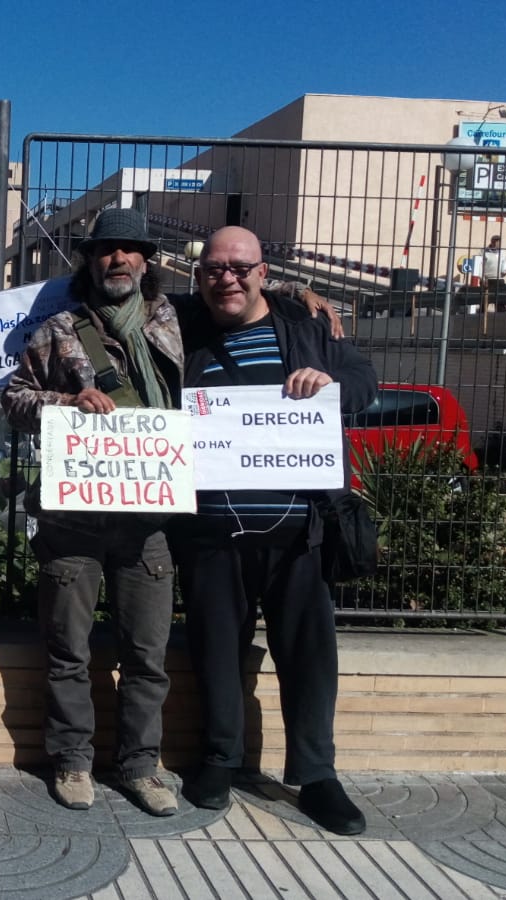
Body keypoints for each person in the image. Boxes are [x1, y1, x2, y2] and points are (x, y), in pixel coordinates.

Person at [177, 225, 377, 836]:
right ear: (199, 276)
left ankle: (317, 777)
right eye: (214, 268)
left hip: (300, 531)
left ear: (263, 271)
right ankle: (219, 760)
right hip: (211, 529)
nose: (227, 278)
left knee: (310, 656)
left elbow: (366, 385)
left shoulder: (307, 329)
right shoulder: (181, 327)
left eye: (241, 267)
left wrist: (329, 385)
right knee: (214, 650)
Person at [3, 207, 183, 816]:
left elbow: (243, 287)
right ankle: (73, 761)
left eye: (131, 249)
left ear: (147, 259)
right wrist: (66, 401)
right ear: (89, 257)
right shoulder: (56, 328)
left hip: (148, 515)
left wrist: (302, 291)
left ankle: (139, 766)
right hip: (73, 514)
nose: (119, 259)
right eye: (108, 249)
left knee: (147, 654)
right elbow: (14, 399)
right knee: (67, 649)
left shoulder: (171, 320)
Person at [481, 235, 506, 309]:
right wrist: (482, 279)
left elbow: (505, 262)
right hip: (487, 280)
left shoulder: (502, 252)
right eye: (495, 242)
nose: (497, 244)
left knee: (500, 302)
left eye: (498, 242)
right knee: (484, 302)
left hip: (499, 279)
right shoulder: (484, 251)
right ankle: (481, 318)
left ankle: (500, 318)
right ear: (492, 242)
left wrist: (505, 271)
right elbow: (479, 265)